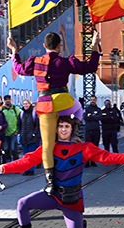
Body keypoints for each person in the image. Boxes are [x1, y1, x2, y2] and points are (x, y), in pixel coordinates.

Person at [0, 116, 124, 228]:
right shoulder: (48, 148)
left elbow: (106, 157)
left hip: (72, 199)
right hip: (52, 195)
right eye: (60, 126)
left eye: (67, 126)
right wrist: (0, 168)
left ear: (72, 129)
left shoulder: (83, 148)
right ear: (56, 129)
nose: (63, 129)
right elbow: (26, 162)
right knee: (23, 203)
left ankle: (81, 227)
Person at [8, 31, 101, 194]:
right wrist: (94, 46)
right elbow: (90, 67)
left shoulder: (35, 62)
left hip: (45, 105)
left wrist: (14, 50)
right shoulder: (65, 62)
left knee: (47, 145)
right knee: (78, 108)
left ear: (44, 46)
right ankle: (74, 129)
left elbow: (19, 69)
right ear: (59, 46)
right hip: (63, 101)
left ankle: (50, 183)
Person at [17, 98, 39, 175]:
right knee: (25, 155)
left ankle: (31, 170)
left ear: (30, 104)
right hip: (23, 137)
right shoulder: (21, 113)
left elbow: (37, 125)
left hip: (31, 137)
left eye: (27, 104)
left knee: (31, 154)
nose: (25, 105)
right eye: (24, 104)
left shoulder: (34, 113)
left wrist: (34, 134)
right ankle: (26, 169)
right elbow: (19, 124)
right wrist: (20, 133)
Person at [82, 95, 103, 166]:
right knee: (88, 147)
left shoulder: (98, 109)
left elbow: (99, 117)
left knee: (95, 146)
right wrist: (94, 116)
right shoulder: (87, 109)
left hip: (96, 130)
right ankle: (87, 162)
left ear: (96, 100)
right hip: (88, 130)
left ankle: (93, 161)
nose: (92, 101)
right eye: (91, 100)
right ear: (90, 100)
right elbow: (85, 117)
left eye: (94, 100)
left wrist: (91, 116)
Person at [1, 95, 21, 163]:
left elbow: (19, 120)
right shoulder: (2, 110)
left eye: (9, 99)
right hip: (5, 133)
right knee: (6, 149)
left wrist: (17, 131)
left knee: (13, 149)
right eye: (6, 99)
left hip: (13, 133)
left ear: (11, 100)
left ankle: (16, 164)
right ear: (4, 101)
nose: (7, 100)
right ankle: (8, 164)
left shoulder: (16, 109)